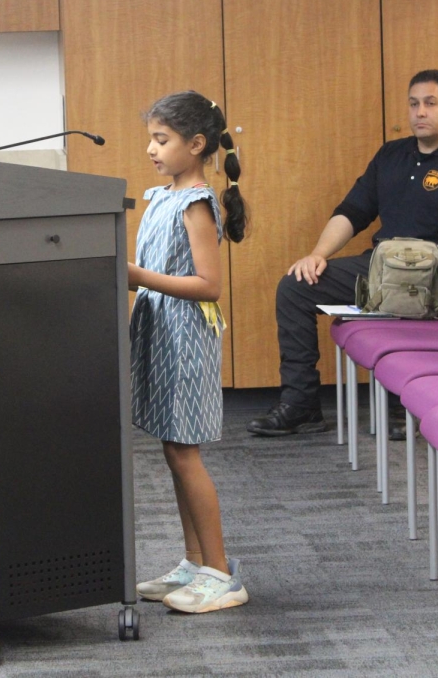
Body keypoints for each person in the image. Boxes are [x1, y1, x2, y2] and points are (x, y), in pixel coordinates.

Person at [246, 69, 438, 440]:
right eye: (413, 104)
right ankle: (301, 404)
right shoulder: (391, 155)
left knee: (405, 298)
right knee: (295, 286)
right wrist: (317, 254)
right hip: (380, 267)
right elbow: (353, 211)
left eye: (431, 103)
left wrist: (421, 274)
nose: (420, 112)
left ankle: (403, 404)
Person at [128, 90, 250, 613]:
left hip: (186, 339)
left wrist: (135, 277)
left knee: (184, 451)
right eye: (151, 139)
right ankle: (194, 560)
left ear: (197, 145)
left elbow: (208, 285)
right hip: (161, 332)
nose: (152, 149)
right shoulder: (162, 197)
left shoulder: (197, 204)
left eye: (162, 139)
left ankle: (221, 572)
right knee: (171, 449)